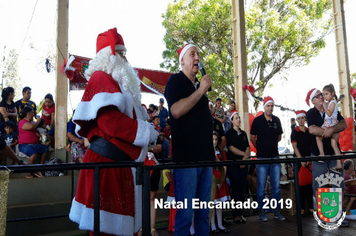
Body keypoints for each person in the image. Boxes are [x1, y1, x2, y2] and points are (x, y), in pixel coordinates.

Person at [68, 28, 158, 235]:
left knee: (119, 228)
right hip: (107, 165)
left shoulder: (119, 83)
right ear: (107, 56)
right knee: (105, 230)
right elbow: (111, 122)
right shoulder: (101, 77)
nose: (125, 58)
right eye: (120, 53)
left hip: (120, 166)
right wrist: (147, 132)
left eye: (124, 53)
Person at [164, 43, 215, 236]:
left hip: (205, 159)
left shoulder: (197, 88)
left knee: (203, 214)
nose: (197, 58)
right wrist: (201, 90)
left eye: (198, 55)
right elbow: (176, 111)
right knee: (185, 215)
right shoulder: (175, 81)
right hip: (186, 160)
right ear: (182, 60)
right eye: (192, 54)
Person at [305, 88, 349, 226]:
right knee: (320, 184)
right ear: (313, 101)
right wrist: (329, 131)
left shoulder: (331, 106)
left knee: (337, 183)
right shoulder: (311, 112)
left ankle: (339, 215)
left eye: (321, 95)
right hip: (318, 155)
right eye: (317, 96)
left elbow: (344, 124)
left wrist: (331, 129)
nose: (321, 97)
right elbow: (312, 129)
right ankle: (323, 216)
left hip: (333, 153)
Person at [250, 96, 285, 221]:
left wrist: (271, 144)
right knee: (261, 186)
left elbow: (279, 137)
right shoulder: (257, 120)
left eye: (271, 106)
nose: (270, 108)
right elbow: (252, 137)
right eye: (268, 106)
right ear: (264, 107)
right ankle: (261, 212)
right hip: (262, 158)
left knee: (276, 186)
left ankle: (277, 211)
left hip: (275, 156)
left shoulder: (277, 120)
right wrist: (260, 148)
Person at [226, 110, 250, 223]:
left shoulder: (244, 133)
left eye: (239, 118)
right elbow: (231, 148)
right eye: (236, 118)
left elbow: (248, 147)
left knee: (242, 188)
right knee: (235, 188)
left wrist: (245, 159)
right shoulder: (229, 133)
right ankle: (235, 214)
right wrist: (243, 155)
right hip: (234, 165)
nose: (238, 120)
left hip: (244, 164)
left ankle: (241, 213)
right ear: (231, 120)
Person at [290, 110, 313, 214]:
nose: (301, 120)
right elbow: (295, 147)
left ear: (305, 119)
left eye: (302, 118)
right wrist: (301, 160)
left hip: (309, 160)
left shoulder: (309, 131)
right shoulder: (295, 131)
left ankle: (311, 207)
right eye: (299, 118)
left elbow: (312, 146)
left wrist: (309, 159)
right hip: (299, 161)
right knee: (301, 185)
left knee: (310, 184)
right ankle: (302, 208)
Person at [315, 84, 342, 171]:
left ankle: (322, 154)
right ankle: (338, 163)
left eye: (326, 94)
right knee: (333, 144)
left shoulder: (333, 102)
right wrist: (325, 104)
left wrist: (323, 105)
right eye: (324, 94)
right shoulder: (331, 102)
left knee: (318, 137)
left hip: (330, 122)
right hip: (331, 122)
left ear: (332, 93)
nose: (324, 96)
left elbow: (329, 113)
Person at [18, 107, 48, 178]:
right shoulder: (22, 122)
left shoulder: (32, 122)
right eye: (32, 113)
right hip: (24, 145)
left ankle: (39, 168)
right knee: (33, 152)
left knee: (45, 148)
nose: (33, 114)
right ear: (28, 113)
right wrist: (38, 121)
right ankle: (29, 172)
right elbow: (31, 127)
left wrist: (41, 137)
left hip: (34, 145)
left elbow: (36, 130)